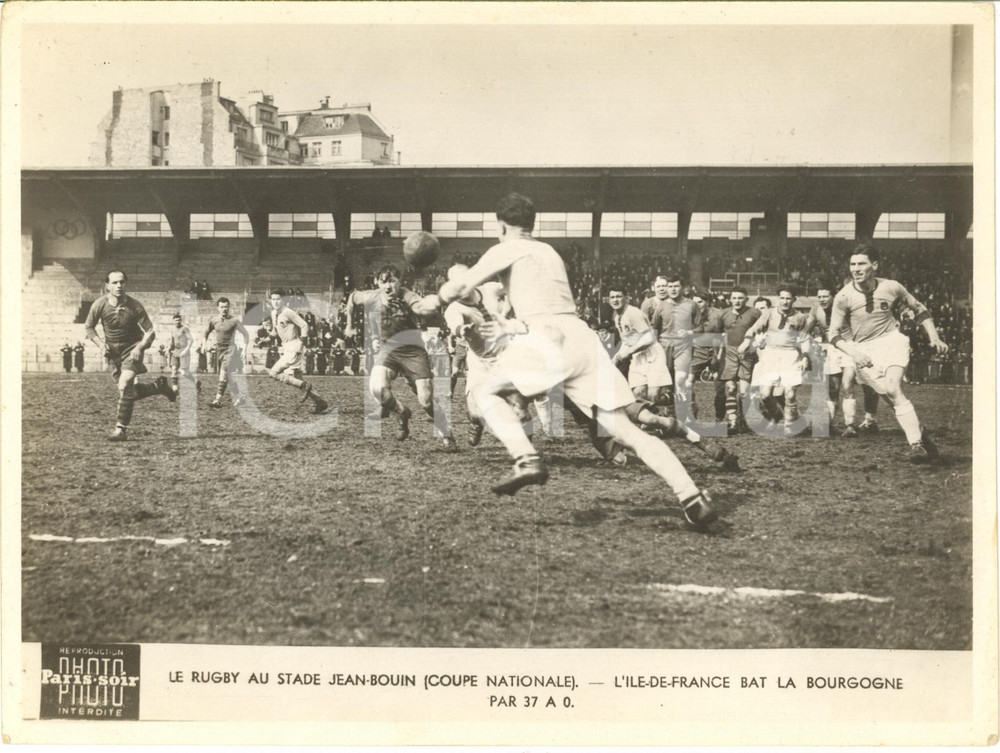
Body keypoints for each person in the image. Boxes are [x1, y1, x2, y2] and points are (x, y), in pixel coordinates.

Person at [437, 193, 716, 527]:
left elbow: (461, 286)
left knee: (485, 393)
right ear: (532, 223)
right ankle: (691, 497)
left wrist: (435, 299)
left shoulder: (506, 247)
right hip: (583, 338)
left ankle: (526, 459)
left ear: (501, 225)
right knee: (624, 429)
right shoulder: (550, 252)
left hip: (548, 335)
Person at [827, 244, 947, 463]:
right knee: (894, 402)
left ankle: (915, 445)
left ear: (874, 265)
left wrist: (934, 336)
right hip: (864, 350)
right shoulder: (843, 297)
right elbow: (833, 334)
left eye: (861, 263)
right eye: (852, 264)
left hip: (892, 341)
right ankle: (920, 434)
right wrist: (854, 352)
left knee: (893, 388)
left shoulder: (892, 287)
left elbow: (920, 310)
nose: (856, 268)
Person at [344, 266, 456, 451]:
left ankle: (447, 435)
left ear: (399, 282)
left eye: (392, 281)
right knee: (377, 388)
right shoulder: (371, 296)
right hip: (388, 351)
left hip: (413, 351)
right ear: (377, 283)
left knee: (426, 401)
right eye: (383, 281)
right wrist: (349, 325)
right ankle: (402, 413)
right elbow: (352, 297)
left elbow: (418, 305)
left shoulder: (407, 295)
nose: (387, 286)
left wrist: (429, 306)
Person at [84, 269, 175, 441]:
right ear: (107, 286)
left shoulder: (134, 306)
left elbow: (150, 331)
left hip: (132, 350)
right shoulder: (99, 305)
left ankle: (120, 430)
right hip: (112, 353)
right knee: (126, 391)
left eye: (122, 282)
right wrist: (101, 344)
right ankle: (158, 386)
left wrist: (140, 348)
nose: (119, 285)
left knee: (125, 384)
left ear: (126, 284)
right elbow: (89, 327)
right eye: (115, 282)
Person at [739, 287, 811, 434]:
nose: (785, 301)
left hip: (790, 354)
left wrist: (805, 357)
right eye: (782, 298)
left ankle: (790, 426)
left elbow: (804, 339)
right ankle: (777, 414)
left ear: (794, 300)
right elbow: (754, 328)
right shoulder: (769, 313)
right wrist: (746, 341)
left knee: (790, 393)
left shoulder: (800, 317)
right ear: (778, 299)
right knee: (765, 395)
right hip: (771, 354)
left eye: (788, 298)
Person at [697, 288, 761, 432]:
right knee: (730, 387)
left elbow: (762, 333)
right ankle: (732, 421)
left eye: (740, 298)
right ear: (730, 299)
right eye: (734, 298)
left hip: (748, 353)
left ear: (746, 299)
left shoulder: (755, 313)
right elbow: (717, 336)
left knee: (744, 391)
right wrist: (715, 356)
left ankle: (744, 419)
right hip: (729, 353)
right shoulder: (723, 314)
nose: (737, 301)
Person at [266, 290, 329, 414]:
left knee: (274, 373)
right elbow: (275, 332)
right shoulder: (274, 313)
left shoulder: (288, 312)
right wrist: (265, 339)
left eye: (278, 299)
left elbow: (304, 325)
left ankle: (304, 386)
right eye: (273, 299)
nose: (275, 302)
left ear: (283, 300)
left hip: (294, 346)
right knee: (297, 378)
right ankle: (320, 402)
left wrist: (302, 343)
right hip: (286, 347)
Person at [643, 275, 697, 420]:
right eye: (670, 286)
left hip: (683, 347)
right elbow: (654, 327)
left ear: (683, 288)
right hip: (664, 347)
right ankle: (671, 415)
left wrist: (690, 332)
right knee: (667, 384)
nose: (673, 289)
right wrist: (653, 348)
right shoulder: (660, 306)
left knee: (680, 380)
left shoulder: (691, 305)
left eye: (676, 286)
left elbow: (701, 327)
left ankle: (683, 416)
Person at [607, 288, 673, 403]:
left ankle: (673, 398)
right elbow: (627, 341)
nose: (615, 300)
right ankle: (648, 420)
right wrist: (616, 358)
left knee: (653, 397)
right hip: (637, 356)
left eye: (618, 296)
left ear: (626, 298)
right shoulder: (618, 317)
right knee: (638, 395)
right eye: (612, 297)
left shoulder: (634, 313)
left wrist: (628, 352)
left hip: (653, 355)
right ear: (609, 300)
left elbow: (649, 338)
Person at [204, 297, 249, 409]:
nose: (224, 309)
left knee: (223, 375)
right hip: (219, 350)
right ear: (218, 308)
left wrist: (245, 349)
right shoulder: (214, 320)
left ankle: (217, 400)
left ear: (229, 307)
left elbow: (246, 334)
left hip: (230, 350)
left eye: (226, 306)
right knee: (228, 377)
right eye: (222, 307)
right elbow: (206, 332)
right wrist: (204, 343)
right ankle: (240, 398)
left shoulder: (234, 321)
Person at [168, 313, 199, 393]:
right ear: (173, 321)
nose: (177, 322)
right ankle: (175, 388)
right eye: (176, 320)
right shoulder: (172, 329)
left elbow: (191, 340)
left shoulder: (185, 329)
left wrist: (186, 350)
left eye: (179, 320)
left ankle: (196, 382)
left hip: (183, 351)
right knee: (174, 369)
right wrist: (169, 348)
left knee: (184, 372)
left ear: (181, 320)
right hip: (175, 351)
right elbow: (172, 340)